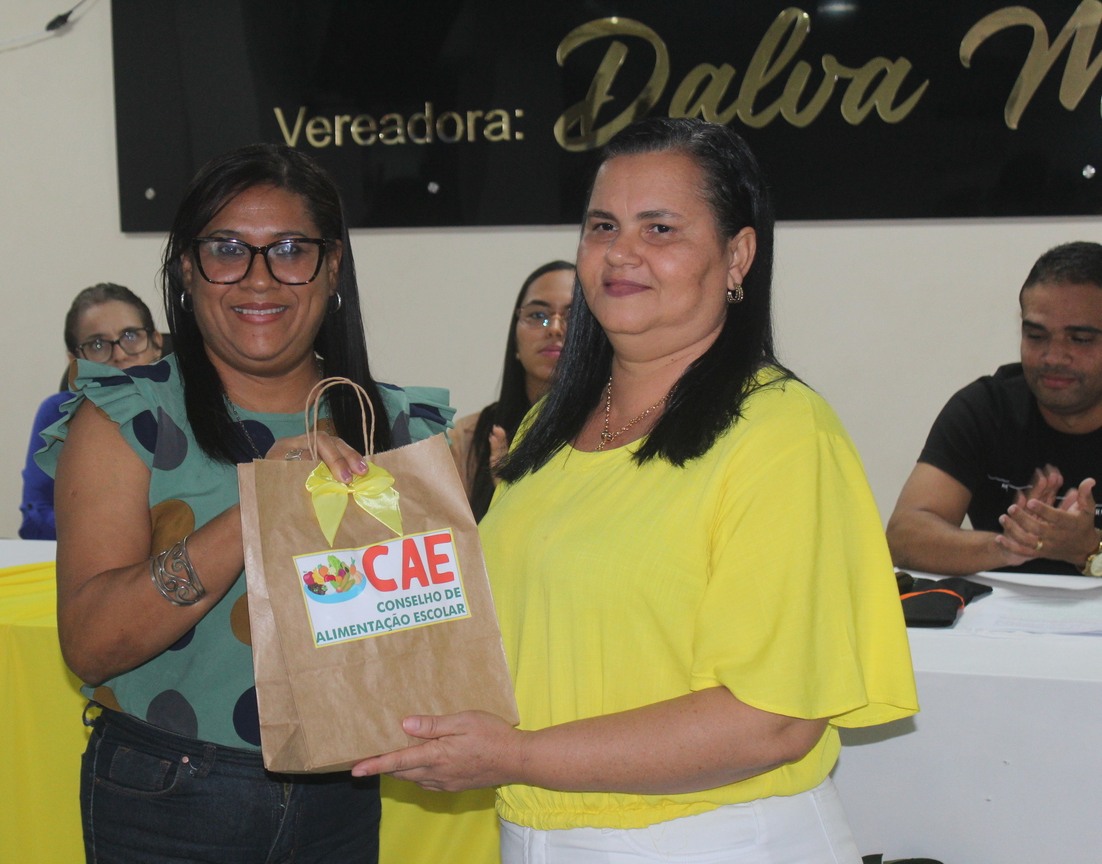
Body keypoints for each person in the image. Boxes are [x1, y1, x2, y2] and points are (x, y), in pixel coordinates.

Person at [352, 117, 917, 864]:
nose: (621, 252)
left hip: (714, 841)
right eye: (602, 226)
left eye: (660, 228)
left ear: (738, 255)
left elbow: (773, 720)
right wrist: (344, 504)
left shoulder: (782, 434)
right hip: (532, 834)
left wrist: (516, 756)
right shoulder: (546, 430)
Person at [35, 144, 454, 862]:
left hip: (342, 795)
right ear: (187, 270)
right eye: (227, 250)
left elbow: (432, 644)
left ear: (332, 268)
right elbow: (91, 645)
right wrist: (259, 504)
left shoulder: (396, 427)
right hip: (169, 791)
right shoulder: (129, 416)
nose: (259, 278)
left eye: (290, 250)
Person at [888, 241, 1102, 577]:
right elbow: (903, 536)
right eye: (1036, 335)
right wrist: (1008, 546)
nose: (1053, 357)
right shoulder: (986, 408)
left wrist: (1090, 549)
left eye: (1081, 339)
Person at [18, 283, 164, 540]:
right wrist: (111, 530)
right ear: (75, 361)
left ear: (156, 343)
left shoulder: (187, 413)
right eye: (98, 345)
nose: (119, 355)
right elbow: (35, 519)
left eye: (131, 336)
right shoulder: (56, 416)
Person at [449, 260, 574, 520]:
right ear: (515, 340)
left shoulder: (617, 435)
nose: (554, 329)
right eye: (538, 315)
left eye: (574, 318)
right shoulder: (469, 439)